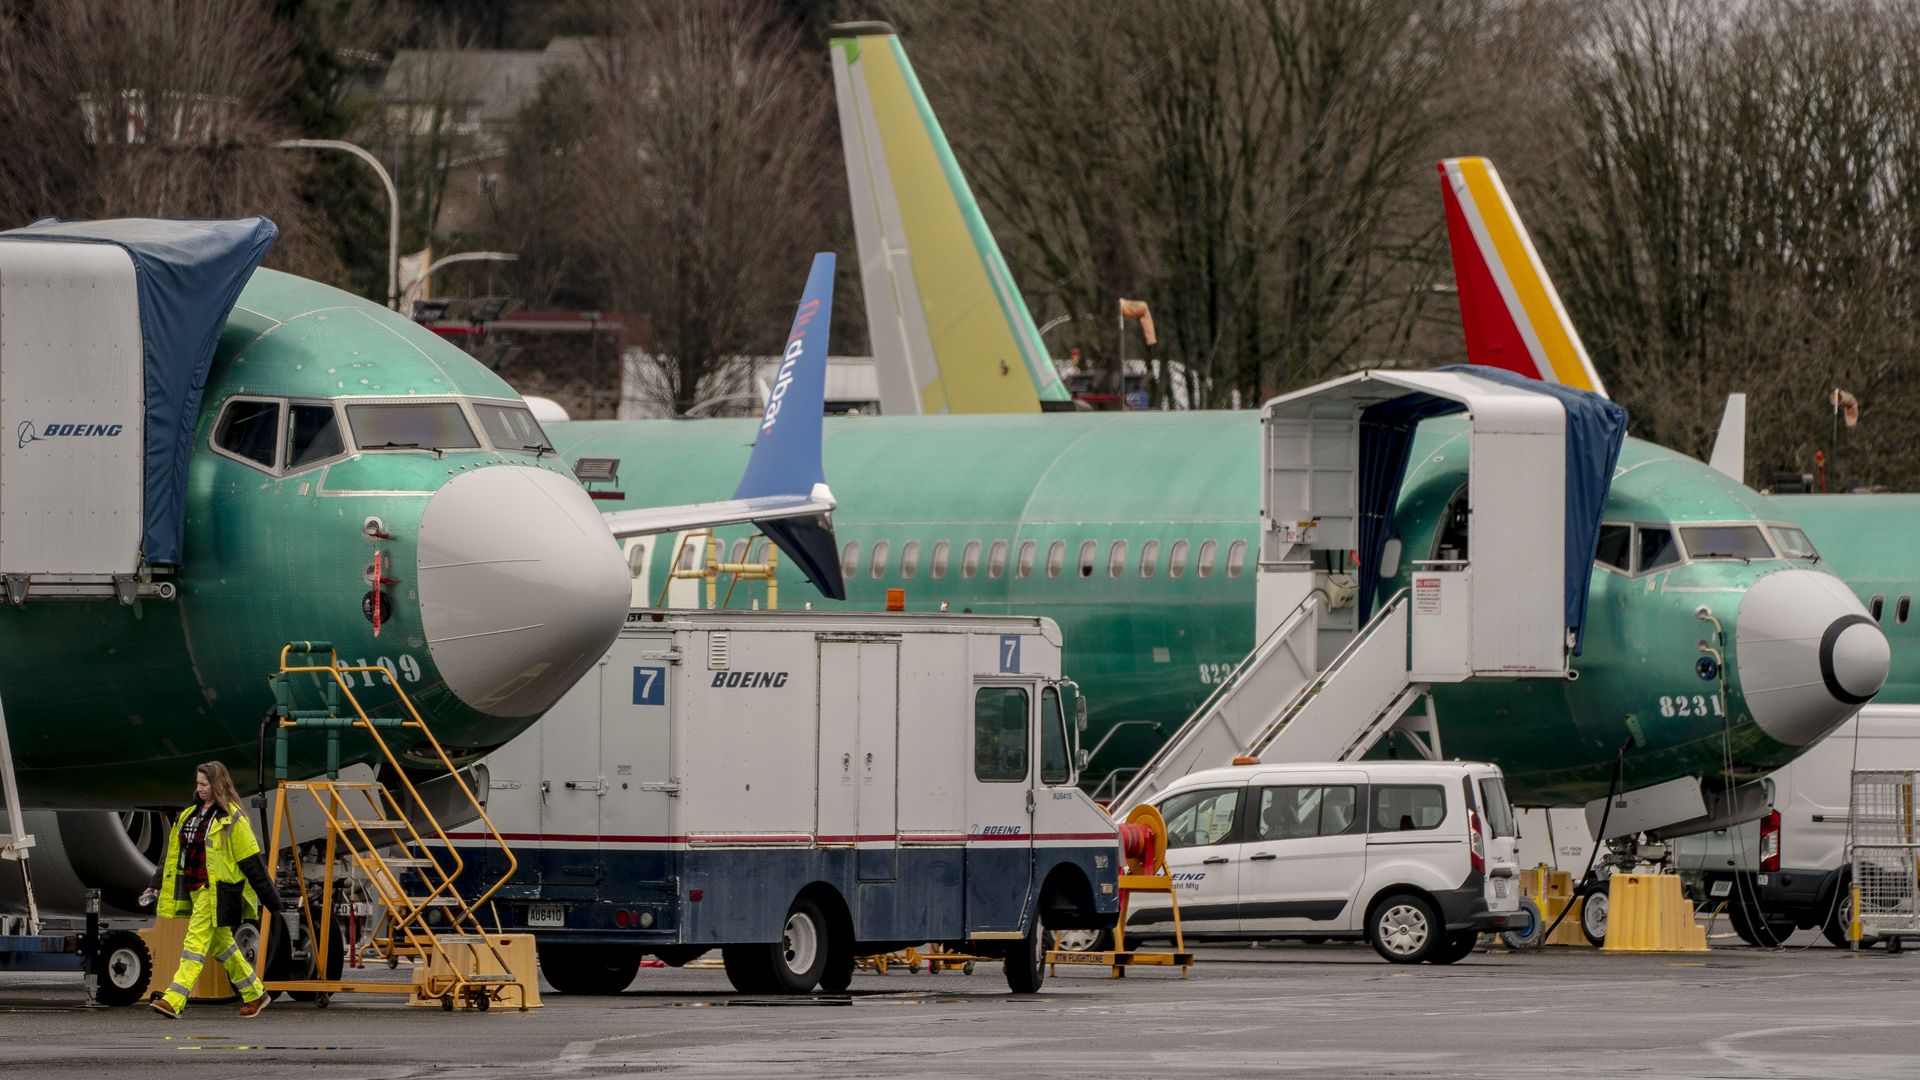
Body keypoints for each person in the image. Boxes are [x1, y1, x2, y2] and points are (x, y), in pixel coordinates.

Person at [139, 761, 284, 1019]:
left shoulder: (233, 819)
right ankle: (255, 993)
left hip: (215, 891)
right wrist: (155, 883)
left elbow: (251, 862)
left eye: (204, 784)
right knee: (222, 946)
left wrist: (271, 901)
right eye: (198, 784)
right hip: (193, 889)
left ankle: (174, 999)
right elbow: (172, 855)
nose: (200, 788)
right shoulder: (188, 816)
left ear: (217, 784)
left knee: (194, 943)